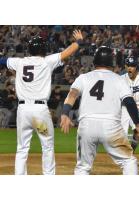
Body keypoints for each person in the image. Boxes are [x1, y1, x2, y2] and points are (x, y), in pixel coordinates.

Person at [0, 29, 83, 175]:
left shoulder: (19, 62)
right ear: (43, 49)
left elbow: (2, 60)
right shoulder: (46, 61)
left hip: (23, 112)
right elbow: (69, 51)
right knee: (47, 146)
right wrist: (79, 41)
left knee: (22, 148)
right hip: (39, 115)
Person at [60, 46, 139, 175]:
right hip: (111, 126)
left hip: (86, 125)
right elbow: (129, 102)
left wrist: (65, 113)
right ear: (112, 62)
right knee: (128, 161)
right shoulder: (119, 79)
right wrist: (137, 125)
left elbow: (72, 95)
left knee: (83, 167)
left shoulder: (83, 77)